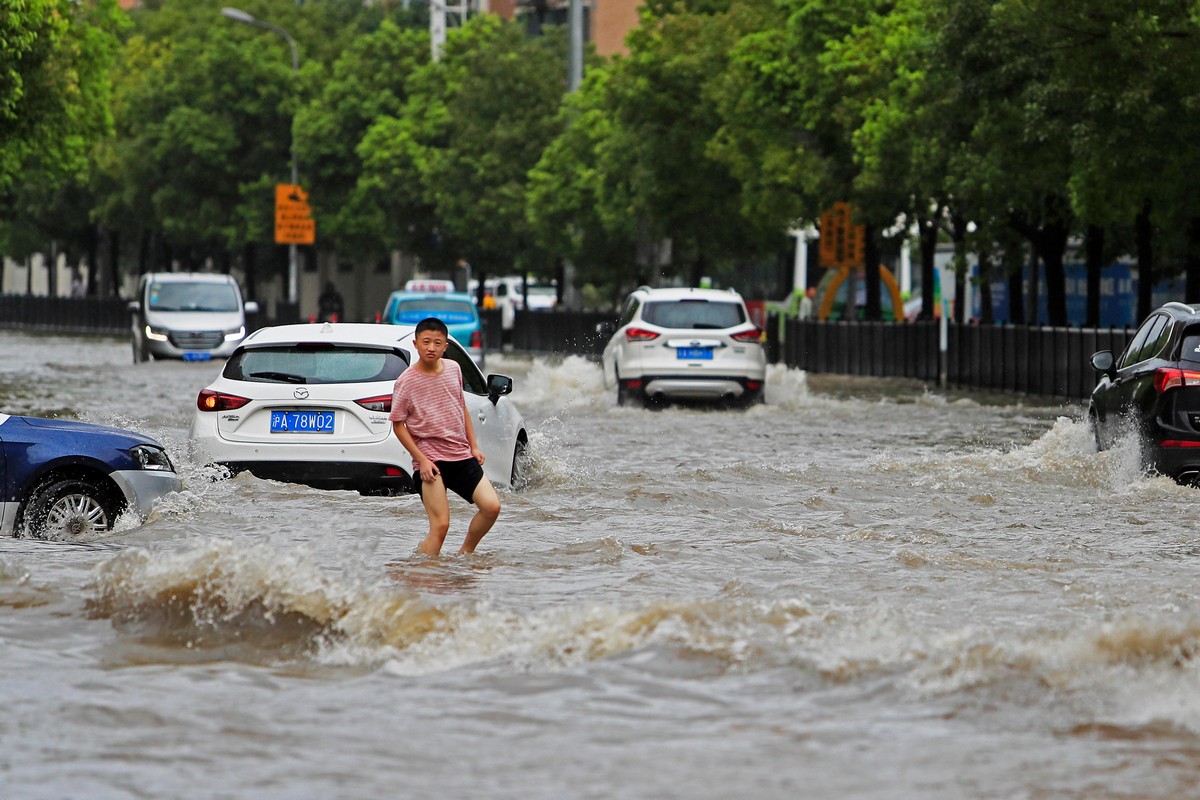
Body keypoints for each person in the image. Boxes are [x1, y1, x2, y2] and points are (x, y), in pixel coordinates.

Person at [390, 317, 501, 556]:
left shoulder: (454, 369)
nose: (431, 347)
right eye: (426, 342)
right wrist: (421, 460)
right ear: (416, 343)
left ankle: (464, 556)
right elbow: (398, 425)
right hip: (430, 460)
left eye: (437, 343)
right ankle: (422, 573)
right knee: (440, 526)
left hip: (460, 454)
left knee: (491, 507)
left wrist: (474, 446)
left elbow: (460, 407)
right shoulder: (406, 382)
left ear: (445, 347)